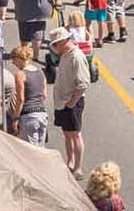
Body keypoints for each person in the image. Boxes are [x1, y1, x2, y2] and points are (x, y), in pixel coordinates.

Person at [47, 26, 91, 177]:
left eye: (56, 44)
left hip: (71, 102)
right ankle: (70, 162)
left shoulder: (76, 57)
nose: (54, 48)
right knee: (66, 134)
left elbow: (83, 83)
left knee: (75, 134)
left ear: (63, 42)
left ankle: (78, 167)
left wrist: (72, 102)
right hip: (62, 101)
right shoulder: (65, 55)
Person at [9, 43, 49, 145]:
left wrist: (15, 118)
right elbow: (44, 95)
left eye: (14, 59)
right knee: (41, 149)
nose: (13, 63)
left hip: (28, 115)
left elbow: (20, 99)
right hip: (42, 114)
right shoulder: (40, 72)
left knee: (30, 151)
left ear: (19, 58)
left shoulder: (20, 74)